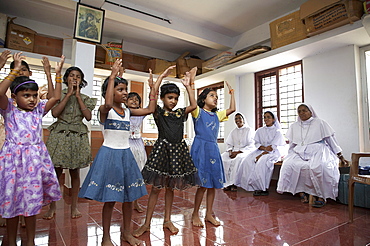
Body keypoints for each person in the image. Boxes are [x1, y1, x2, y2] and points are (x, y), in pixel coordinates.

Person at [78, 59, 163, 246]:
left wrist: (153, 89)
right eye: (120, 89)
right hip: (110, 156)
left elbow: (150, 109)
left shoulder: (128, 111)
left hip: (126, 156)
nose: (125, 93)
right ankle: (106, 237)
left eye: (126, 89)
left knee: (129, 198)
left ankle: (127, 233)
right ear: (109, 91)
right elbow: (107, 103)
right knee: (110, 200)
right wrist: (112, 76)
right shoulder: (104, 110)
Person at [0, 52, 63, 246]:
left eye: (34, 95)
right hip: (12, 163)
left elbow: (56, 97)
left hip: (34, 163)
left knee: (31, 204)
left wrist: (54, 73)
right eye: (26, 95)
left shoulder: (38, 110)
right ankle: (10, 241)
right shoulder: (8, 108)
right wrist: (13, 71)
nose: (32, 99)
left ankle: (30, 242)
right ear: (14, 96)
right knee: (11, 203)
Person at [133, 67, 198, 237]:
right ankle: (146, 223)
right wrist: (160, 77)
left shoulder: (180, 113)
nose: (173, 101)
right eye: (170, 98)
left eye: (176, 98)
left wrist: (187, 86)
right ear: (162, 98)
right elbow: (152, 97)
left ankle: (167, 219)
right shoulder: (158, 112)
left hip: (178, 152)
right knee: (156, 188)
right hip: (162, 151)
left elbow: (193, 105)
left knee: (171, 188)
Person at [44, 66, 97, 219]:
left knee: (75, 173)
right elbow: (54, 113)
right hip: (59, 134)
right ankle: (52, 207)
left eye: (78, 76)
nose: (75, 78)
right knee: (56, 173)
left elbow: (87, 116)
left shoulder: (86, 98)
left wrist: (78, 97)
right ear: (66, 78)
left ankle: (74, 207)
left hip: (77, 136)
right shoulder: (58, 95)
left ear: (81, 80)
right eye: (72, 75)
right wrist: (67, 95)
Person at [276, 104, 348, 207]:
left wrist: (340, 156)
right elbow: (292, 144)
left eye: (304, 110)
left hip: (318, 151)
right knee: (289, 165)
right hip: (299, 151)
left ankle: (322, 196)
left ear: (311, 112)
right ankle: (301, 192)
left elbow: (331, 141)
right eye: (299, 111)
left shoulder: (320, 123)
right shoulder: (294, 126)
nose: (302, 113)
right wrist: (288, 156)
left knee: (320, 167)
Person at [191, 82, 236, 227]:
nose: (215, 98)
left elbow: (233, 109)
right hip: (201, 148)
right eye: (212, 96)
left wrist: (232, 93)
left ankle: (209, 214)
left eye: (216, 96)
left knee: (212, 185)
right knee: (202, 185)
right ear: (203, 99)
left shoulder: (217, 115)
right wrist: (190, 84)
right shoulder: (197, 111)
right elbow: (192, 101)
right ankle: (195, 214)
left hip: (213, 148)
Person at [235, 111, 285, 196]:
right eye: (264, 117)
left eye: (268, 117)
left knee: (262, 162)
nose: (266, 119)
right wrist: (262, 150)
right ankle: (248, 185)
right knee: (247, 160)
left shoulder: (277, 131)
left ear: (273, 119)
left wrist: (261, 154)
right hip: (261, 150)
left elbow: (273, 147)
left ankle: (263, 188)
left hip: (272, 152)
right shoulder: (259, 130)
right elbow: (257, 144)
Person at [221, 112, 254, 191]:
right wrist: (230, 151)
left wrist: (238, 152)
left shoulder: (249, 130)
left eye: (239, 118)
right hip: (234, 151)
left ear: (243, 119)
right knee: (222, 157)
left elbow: (251, 145)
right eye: (236, 119)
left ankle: (234, 184)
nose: (237, 120)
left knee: (237, 159)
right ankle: (225, 182)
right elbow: (229, 143)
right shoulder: (233, 131)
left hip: (244, 152)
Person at [126, 91, 147, 213]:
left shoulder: (140, 114)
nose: (134, 101)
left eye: (137, 100)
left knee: (138, 173)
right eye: (131, 99)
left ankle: (135, 202)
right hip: (126, 143)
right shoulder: (123, 112)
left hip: (138, 144)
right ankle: (127, 200)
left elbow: (151, 107)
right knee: (127, 173)